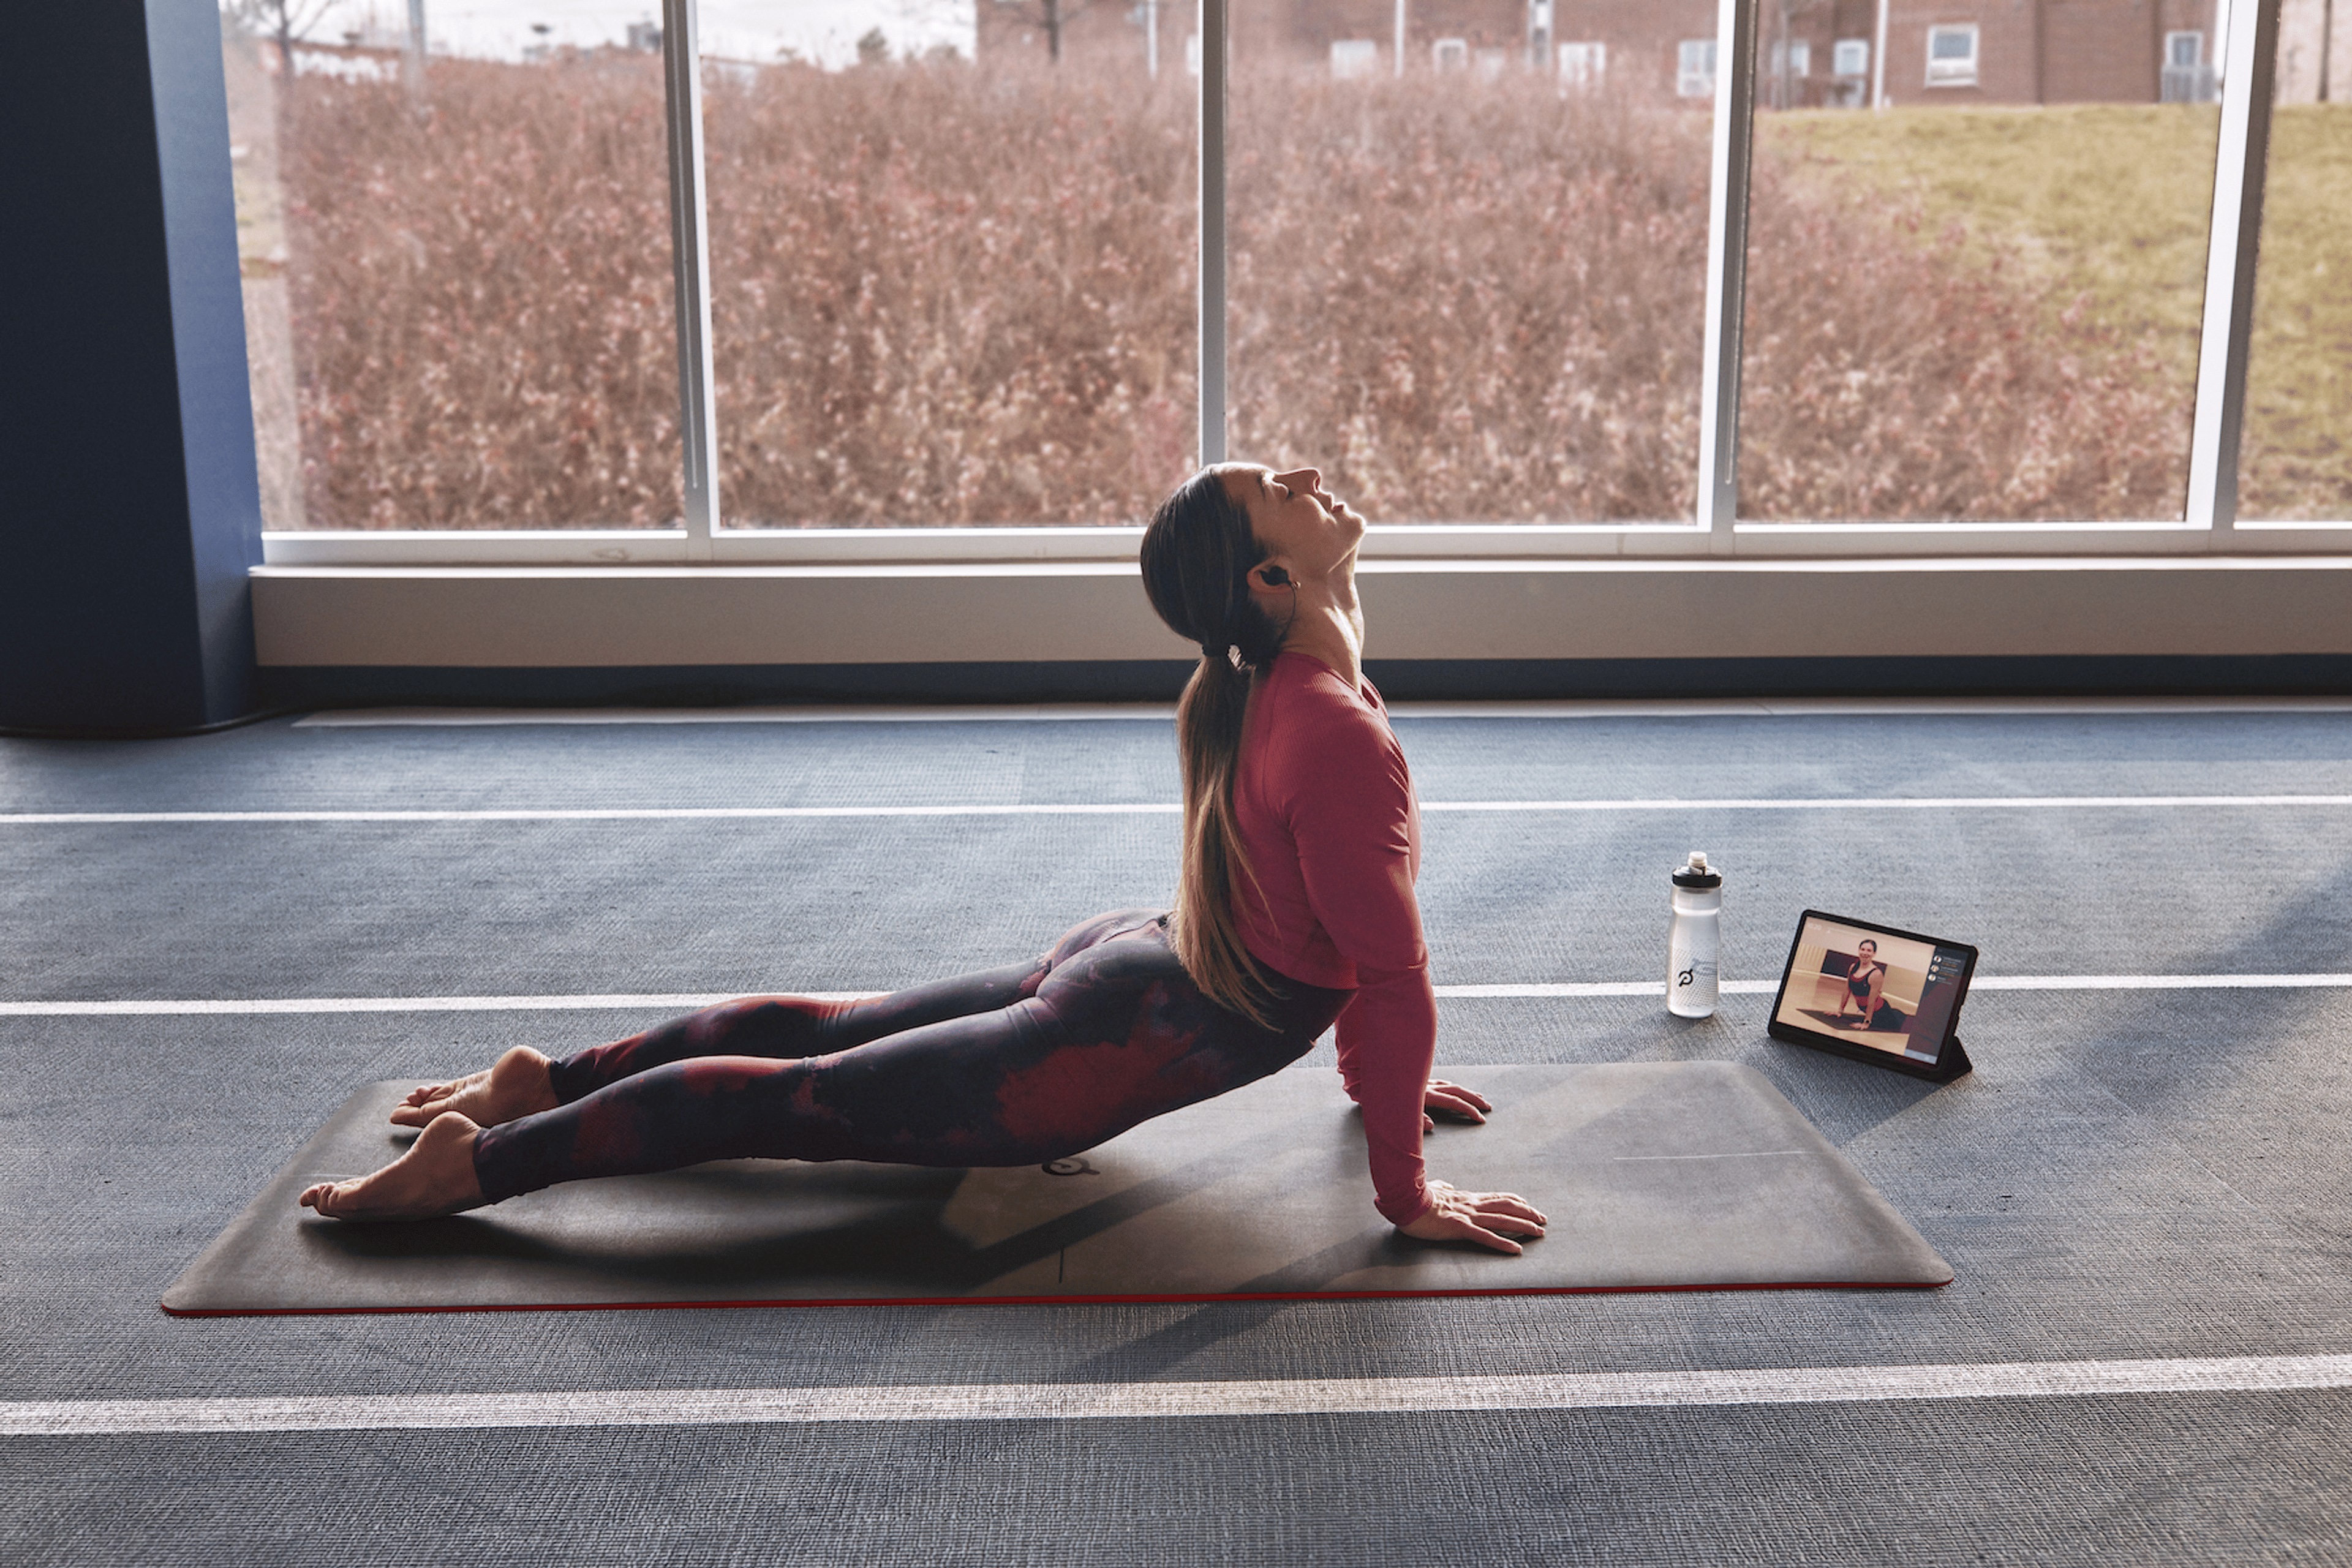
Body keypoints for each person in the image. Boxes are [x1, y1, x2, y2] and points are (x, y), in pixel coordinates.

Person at [299, 464, 1547, 1256]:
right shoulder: (1332, 721)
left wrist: (1377, 1076)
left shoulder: (1281, 681)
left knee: (825, 1026)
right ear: (1273, 577)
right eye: (1285, 482)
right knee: (793, 1095)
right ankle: (483, 1158)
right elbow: (1384, 973)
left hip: (1131, 961)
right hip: (1115, 1032)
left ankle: (543, 1074)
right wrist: (1405, 1188)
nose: (1314, 471)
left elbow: (1315, 916)